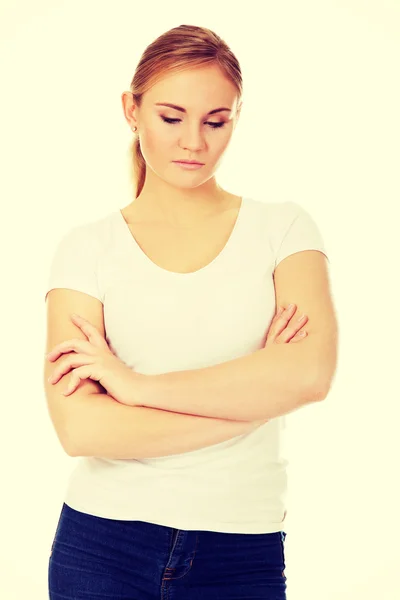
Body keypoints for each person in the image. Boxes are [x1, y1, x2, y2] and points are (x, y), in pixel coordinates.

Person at [45, 24, 331, 599]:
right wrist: (249, 407)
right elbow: (81, 428)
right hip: (102, 545)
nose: (194, 143)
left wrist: (130, 385)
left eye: (216, 121)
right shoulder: (88, 248)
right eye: (172, 118)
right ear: (132, 109)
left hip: (241, 550)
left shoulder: (284, 230)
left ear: (236, 116)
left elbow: (307, 375)